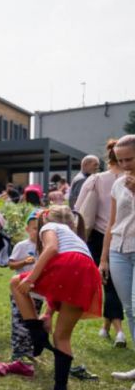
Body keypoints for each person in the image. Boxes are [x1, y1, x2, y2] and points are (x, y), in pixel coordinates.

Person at [12, 205, 103, 390]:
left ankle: (36, 334)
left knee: (15, 283)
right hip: (88, 273)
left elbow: (51, 249)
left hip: (69, 265)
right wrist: (47, 314)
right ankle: (60, 388)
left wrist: (30, 278)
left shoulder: (49, 227)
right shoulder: (75, 238)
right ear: (71, 222)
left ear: (45, 220)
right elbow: (62, 288)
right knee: (62, 336)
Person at [77, 140, 126, 346]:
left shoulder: (96, 180)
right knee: (113, 285)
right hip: (124, 235)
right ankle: (112, 329)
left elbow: (79, 209)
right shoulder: (128, 180)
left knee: (109, 284)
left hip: (98, 236)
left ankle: (116, 330)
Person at [100, 135, 135, 389]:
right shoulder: (118, 184)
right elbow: (111, 224)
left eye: (129, 159)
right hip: (118, 250)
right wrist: (103, 258)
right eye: (120, 160)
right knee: (130, 310)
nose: (124, 164)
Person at [6, 211, 43, 369]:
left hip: (38, 294)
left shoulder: (46, 248)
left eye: (40, 228)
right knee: (19, 322)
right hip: (20, 291)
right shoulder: (22, 246)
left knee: (32, 322)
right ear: (27, 229)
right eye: (34, 228)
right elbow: (11, 265)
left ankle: (28, 350)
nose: (37, 231)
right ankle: (17, 351)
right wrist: (23, 262)